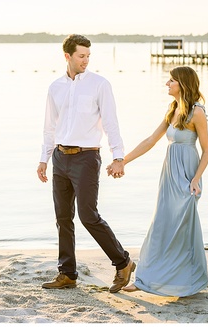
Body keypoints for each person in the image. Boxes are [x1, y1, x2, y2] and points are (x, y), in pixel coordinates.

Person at [37, 34, 135, 293]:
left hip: (86, 157)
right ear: (67, 56)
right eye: (81, 56)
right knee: (62, 218)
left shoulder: (99, 84)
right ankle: (67, 273)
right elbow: (50, 127)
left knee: (88, 216)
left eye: (88, 56)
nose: (86, 61)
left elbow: (111, 122)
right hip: (60, 157)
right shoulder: (55, 87)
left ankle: (123, 262)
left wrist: (118, 156)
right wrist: (43, 159)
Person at [107, 65, 208, 297]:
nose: (167, 84)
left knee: (181, 230)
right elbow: (150, 140)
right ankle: (145, 279)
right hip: (169, 176)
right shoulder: (173, 108)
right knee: (160, 228)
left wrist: (196, 179)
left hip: (187, 177)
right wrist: (123, 161)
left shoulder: (197, 113)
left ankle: (187, 281)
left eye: (171, 81)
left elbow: (207, 151)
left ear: (182, 84)